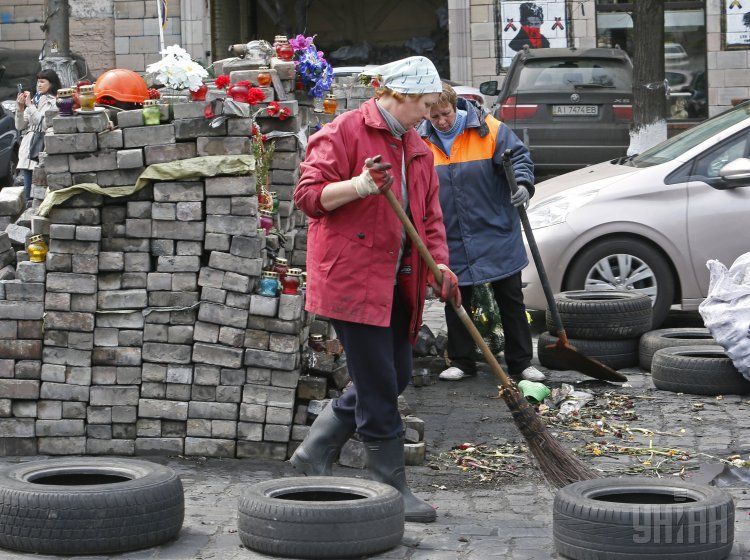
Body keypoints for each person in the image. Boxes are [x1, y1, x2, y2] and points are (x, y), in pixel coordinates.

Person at [292, 56, 460, 523]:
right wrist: (359, 185)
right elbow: (308, 197)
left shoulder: (416, 146)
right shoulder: (345, 132)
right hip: (352, 278)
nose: (429, 114)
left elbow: (429, 217)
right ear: (398, 95)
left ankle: (313, 452)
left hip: (399, 280)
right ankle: (390, 485)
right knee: (381, 386)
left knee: (395, 376)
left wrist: (440, 264)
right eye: (424, 105)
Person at [419, 82, 546, 383]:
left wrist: (524, 186)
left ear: (455, 105)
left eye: (446, 114)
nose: (441, 122)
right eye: (434, 117)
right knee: (455, 298)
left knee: (510, 299)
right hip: (451, 235)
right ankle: (462, 361)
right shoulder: (421, 140)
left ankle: (521, 363)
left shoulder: (489, 129)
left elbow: (519, 159)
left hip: (495, 230)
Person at [15, 69, 61, 204]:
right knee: (28, 193)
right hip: (28, 149)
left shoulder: (54, 101)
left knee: (43, 190)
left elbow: (44, 123)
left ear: (51, 84)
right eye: (37, 81)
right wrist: (20, 108)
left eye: (42, 81)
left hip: (42, 147)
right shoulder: (35, 99)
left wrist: (30, 105)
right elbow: (20, 125)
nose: (39, 85)